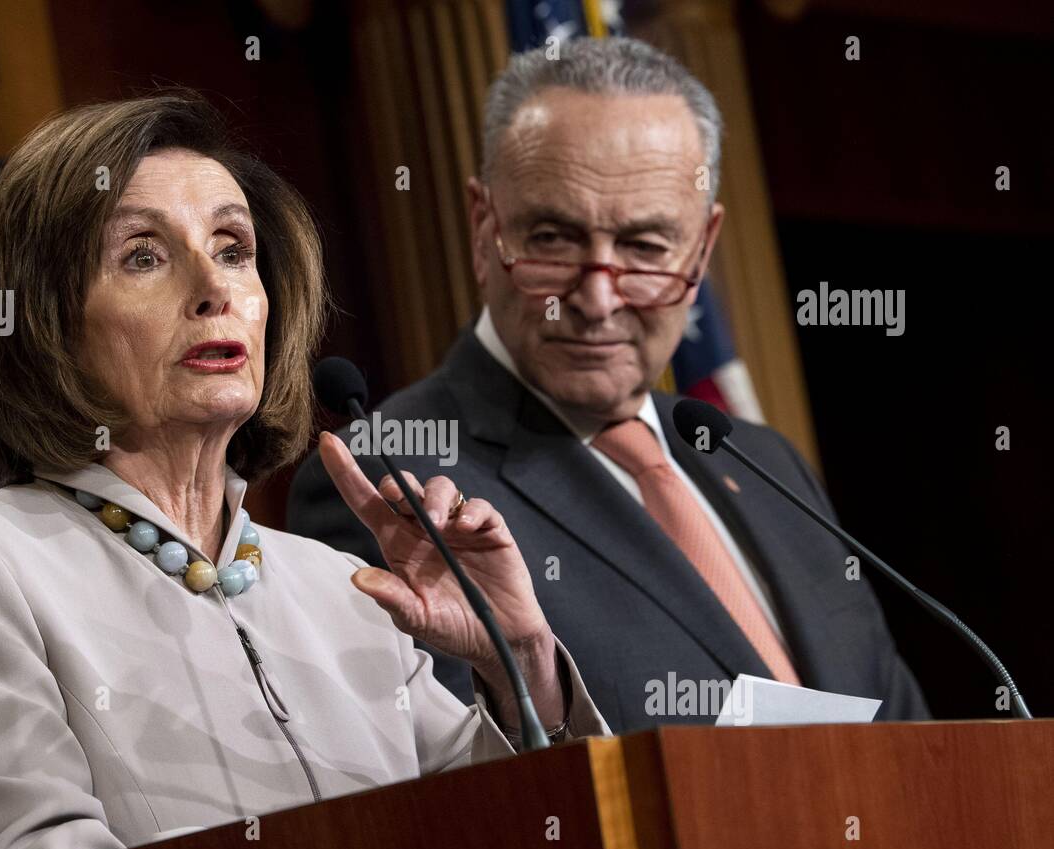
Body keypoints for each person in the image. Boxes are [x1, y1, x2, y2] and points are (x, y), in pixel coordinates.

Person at [0, 91, 607, 849]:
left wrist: (517, 652)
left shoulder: (343, 587)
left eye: (231, 247)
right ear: (46, 319)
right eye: (143, 255)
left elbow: (524, 842)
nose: (213, 288)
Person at [288, 37, 931, 732]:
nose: (597, 299)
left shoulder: (768, 465)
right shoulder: (395, 481)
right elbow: (447, 796)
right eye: (553, 239)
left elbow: (910, 744)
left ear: (703, 248)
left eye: (645, 247)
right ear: (483, 228)